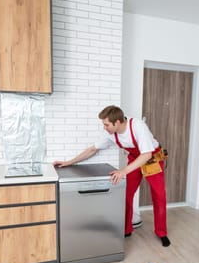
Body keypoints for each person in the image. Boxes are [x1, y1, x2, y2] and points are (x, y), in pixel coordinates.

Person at [54, 105, 171, 247]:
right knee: (126, 194)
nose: (104, 127)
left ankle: (161, 233)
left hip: (152, 158)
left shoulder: (138, 127)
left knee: (159, 196)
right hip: (135, 159)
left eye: (106, 124)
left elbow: (146, 154)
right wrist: (69, 162)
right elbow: (92, 149)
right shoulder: (111, 134)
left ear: (117, 122)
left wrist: (123, 171)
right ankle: (127, 229)